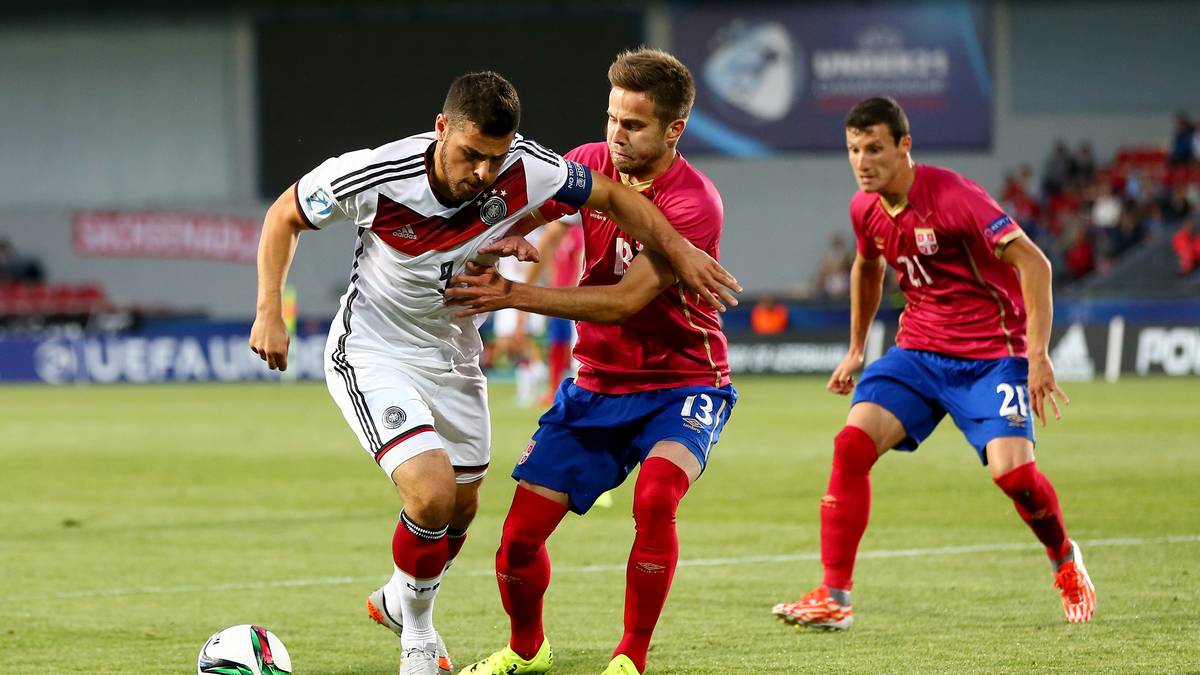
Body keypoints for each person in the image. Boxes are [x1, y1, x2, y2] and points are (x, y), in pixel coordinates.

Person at [248, 71, 739, 675]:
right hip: (381, 348)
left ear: (674, 130)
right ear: (441, 130)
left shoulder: (678, 198)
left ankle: (415, 602)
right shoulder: (373, 174)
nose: (483, 173)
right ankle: (422, 637)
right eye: (471, 156)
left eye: (632, 124)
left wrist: (679, 250)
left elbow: (619, 280)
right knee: (437, 499)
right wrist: (271, 309)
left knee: (463, 505)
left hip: (654, 378)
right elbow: (284, 214)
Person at [444, 49, 737, 675]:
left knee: (656, 497)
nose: (615, 134)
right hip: (597, 384)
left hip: (683, 381)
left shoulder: (695, 204)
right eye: (611, 117)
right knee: (517, 542)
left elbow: (626, 301)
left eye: (633, 125)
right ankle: (528, 650)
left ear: (673, 130)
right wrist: (505, 233)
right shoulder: (589, 163)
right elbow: (530, 207)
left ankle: (630, 656)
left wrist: (512, 294)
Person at [771, 96, 1096, 631]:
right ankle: (835, 596)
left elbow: (1033, 263)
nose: (862, 161)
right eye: (853, 150)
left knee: (1014, 477)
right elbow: (866, 268)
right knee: (851, 445)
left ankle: (1064, 557)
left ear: (904, 145)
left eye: (874, 148)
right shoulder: (865, 209)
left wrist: (1037, 354)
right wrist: (856, 349)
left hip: (992, 355)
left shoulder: (954, 197)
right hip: (919, 353)